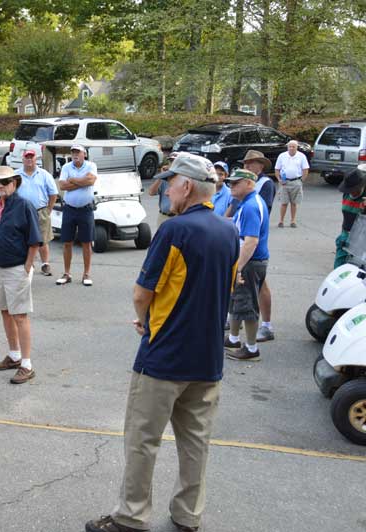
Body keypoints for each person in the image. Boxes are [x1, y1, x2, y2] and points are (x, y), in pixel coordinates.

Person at [85, 154, 238, 532]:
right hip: (207, 359)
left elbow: (142, 292)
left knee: (142, 440)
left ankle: (132, 516)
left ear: (187, 186)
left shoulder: (174, 230)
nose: (167, 189)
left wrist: (145, 320)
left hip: (165, 356)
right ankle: (188, 515)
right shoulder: (228, 230)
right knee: (196, 442)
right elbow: (229, 287)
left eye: (171, 182)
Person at [0, 166, 42, 384]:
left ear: (14, 183)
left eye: (5, 182)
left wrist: (27, 267)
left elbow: (35, 240)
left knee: (20, 315)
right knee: (5, 311)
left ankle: (27, 364)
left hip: (17, 268)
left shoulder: (24, 205)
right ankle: (14, 355)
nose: (0, 186)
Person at [224, 169, 270, 362]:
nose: (231, 186)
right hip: (248, 261)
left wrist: (238, 267)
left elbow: (251, 241)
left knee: (247, 304)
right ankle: (233, 339)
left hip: (250, 262)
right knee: (237, 300)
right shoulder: (248, 203)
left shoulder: (250, 206)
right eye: (230, 183)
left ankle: (251, 349)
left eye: (236, 183)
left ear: (250, 184)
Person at [239, 150, 276, 342]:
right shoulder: (244, 183)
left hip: (254, 239)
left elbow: (263, 212)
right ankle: (235, 320)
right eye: (245, 163)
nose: (246, 166)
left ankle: (266, 325)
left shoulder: (265, 184)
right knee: (254, 284)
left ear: (261, 165)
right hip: (244, 236)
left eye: (251, 163)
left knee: (259, 284)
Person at [57, 145, 97, 286]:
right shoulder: (66, 167)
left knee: (86, 242)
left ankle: (86, 274)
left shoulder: (91, 165)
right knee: (67, 242)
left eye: (78, 152)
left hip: (86, 209)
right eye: (73, 152)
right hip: (69, 209)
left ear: (84, 154)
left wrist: (72, 179)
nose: (75, 155)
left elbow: (91, 181)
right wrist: (82, 181)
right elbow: (62, 186)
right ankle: (67, 273)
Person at [15, 149, 58, 276]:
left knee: (42, 240)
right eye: (27, 157)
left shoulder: (44, 174)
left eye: (31, 157)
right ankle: (28, 263)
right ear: (22, 159)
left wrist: (48, 210)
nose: (29, 159)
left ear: (36, 159)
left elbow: (53, 193)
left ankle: (45, 264)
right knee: (23, 239)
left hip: (40, 211)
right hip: (21, 212)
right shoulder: (16, 175)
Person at [335, 169, 366, 268]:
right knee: (339, 266)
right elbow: (346, 216)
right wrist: (343, 235)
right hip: (346, 235)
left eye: (352, 190)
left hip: (362, 238)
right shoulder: (346, 194)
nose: (350, 192)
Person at [275, 140, 309, 228]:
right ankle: (281, 221)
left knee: (294, 203)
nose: (291, 148)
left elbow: (305, 169)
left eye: (293, 147)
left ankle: (293, 221)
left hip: (296, 182)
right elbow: (277, 169)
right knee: (284, 203)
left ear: (297, 147)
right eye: (290, 146)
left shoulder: (301, 156)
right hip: (284, 182)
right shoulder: (282, 156)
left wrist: (301, 181)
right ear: (287, 147)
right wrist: (279, 179)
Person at [148, 152, 179, 225]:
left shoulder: (183, 179)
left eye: (174, 161)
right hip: (163, 216)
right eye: (170, 161)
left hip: (177, 217)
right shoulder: (164, 178)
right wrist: (161, 176)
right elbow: (151, 192)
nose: (172, 163)